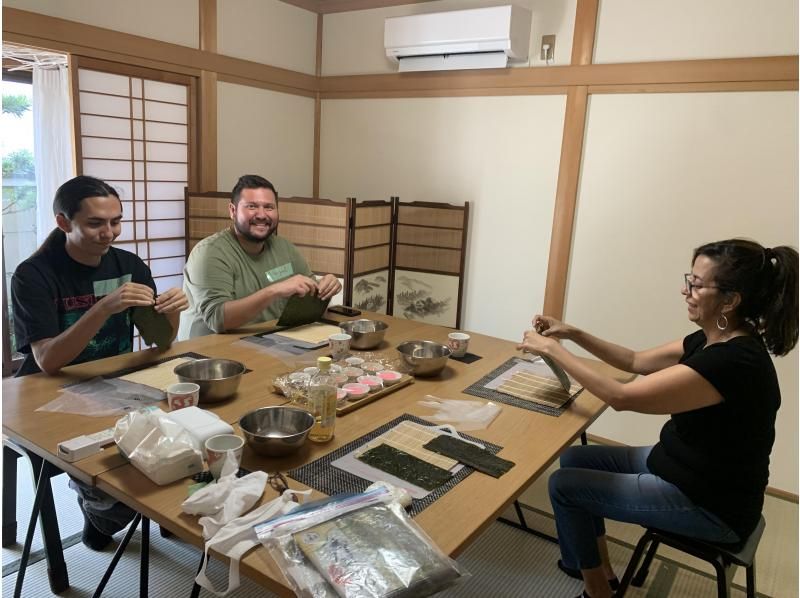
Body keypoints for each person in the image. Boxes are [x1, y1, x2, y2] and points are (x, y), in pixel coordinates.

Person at [517, 239, 798, 598]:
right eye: (689, 279)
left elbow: (621, 397)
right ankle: (601, 570)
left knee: (563, 487)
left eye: (696, 284)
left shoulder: (732, 363)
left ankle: (596, 592)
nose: (685, 290)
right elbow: (635, 361)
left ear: (730, 300)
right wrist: (573, 334)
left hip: (710, 504)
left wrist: (551, 349)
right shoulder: (712, 339)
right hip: (679, 465)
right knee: (573, 458)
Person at [11, 175, 189, 550]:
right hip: (48, 394)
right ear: (64, 222)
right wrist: (103, 307)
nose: (109, 233)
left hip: (115, 381)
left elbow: (162, 340)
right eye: (95, 223)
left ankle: (136, 514)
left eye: (115, 221)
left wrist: (172, 311)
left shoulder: (129, 264)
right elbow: (47, 361)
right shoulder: (34, 275)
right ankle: (100, 515)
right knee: (118, 479)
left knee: (181, 442)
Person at [179, 174, 342, 338]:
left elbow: (308, 294)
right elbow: (217, 319)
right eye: (252, 206)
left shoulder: (284, 248)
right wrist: (275, 291)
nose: (262, 215)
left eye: (269, 207)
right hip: (208, 352)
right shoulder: (209, 253)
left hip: (267, 340)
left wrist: (325, 287)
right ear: (232, 211)